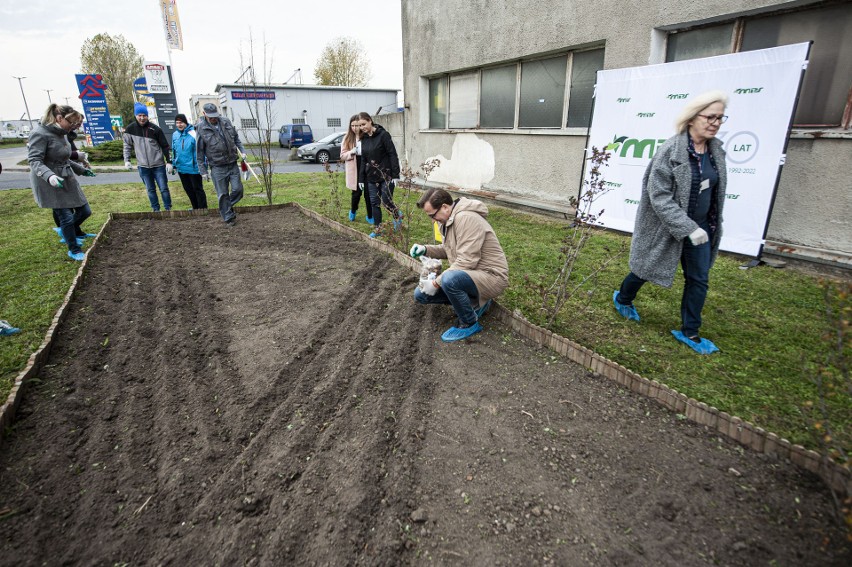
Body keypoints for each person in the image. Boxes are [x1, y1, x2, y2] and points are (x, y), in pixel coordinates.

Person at [612, 91, 729, 355]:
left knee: (699, 279)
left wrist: (703, 227)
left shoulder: (715, 151)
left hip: (702, 230)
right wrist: (688, 228)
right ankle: (623, 298)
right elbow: (659, 196)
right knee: (644, 269)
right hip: (668, 227)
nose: (715, 123)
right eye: (710, 117)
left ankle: (691, 332)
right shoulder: (670, 151)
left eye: (720, 118)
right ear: (692, 118)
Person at [410, 188, 509, 342]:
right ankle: (475, 302)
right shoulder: (449, 219)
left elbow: (467, 260)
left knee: (450, 279)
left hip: (491, 276)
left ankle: (469, 322)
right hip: (470, 274)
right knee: (421, 294)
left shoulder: (467, 218)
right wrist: (426, 249)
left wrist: (436, 283)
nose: (432, 220)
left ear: (444, 207)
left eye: (432, 215)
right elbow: (450, 249)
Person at [28, 104, 96, 261]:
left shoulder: (62, 133)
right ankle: (74, 248)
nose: (73, 127)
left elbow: (64, 159)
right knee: (65, 216)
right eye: (71, 124)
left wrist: (81, 170)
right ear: (59, 118)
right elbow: (34, 160)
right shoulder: (40, 134)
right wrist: (49, 176)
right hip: (50, 181)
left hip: (66, 178)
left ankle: (67, 230)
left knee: (85, 210)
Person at [196, 103, 246, 226]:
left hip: (232, 163)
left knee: (238, 190)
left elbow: (236, 139)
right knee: (223, 193)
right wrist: (203, 171)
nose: (213, 118)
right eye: (210, 116)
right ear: (204, 114)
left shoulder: (226, 122)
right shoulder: (201, 128)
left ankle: (226, 208)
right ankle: (228, 217)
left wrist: (243, 151)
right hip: (217, 166)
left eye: (215, 116)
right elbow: (199, 152)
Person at [357, 112, 400, 238]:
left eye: (364, 124)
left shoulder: (383, 135)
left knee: (386, 201)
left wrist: (395, 174)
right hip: (371, 177)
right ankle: (378, 229)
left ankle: (397, 217)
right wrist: (361, 178)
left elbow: (392, 154)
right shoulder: (364, 139)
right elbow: (363, 160)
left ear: (370, 121)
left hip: (386, 175)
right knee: (374, 202)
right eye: (360, 126)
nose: (362, 127)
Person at [123, 102, 172, 212]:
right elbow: (127, 146)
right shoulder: (130, 129)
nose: (142, 118)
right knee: (150, 189)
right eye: (139, 115)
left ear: (147, 116)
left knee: (164, 188)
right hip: (143, 166)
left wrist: (169, 161)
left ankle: (168, 208)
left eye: (144, 115)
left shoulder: (155, 129)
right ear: (136, 116)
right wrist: (127, 160)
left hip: (158, 165)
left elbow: (165, 146)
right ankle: (156, 210)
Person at [50, 129, 96, 243]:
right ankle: (69, 237)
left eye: (79, 123)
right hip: (55, 177)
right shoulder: (51, 135)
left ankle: (73, 232)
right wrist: (76, 154)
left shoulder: (67, 135)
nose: (77, 125)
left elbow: (67, 157)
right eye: (75, 122)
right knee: (65, 213)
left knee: (84, 211)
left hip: (68, 176)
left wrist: (82, 168)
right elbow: (60, 155)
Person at [341, 114, 373, 224]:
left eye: (357, 125)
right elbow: (342, 155)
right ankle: (353, 211)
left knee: (369, 195)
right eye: (352, 126)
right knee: (356, 194)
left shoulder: (367, 136)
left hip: (366, 169)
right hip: (354, 171)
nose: (355, 128)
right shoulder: (347, 137)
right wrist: (351, 152)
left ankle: (370, 216)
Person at [171, 113, 207, 210]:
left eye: (181, 122)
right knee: (188, 189)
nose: (179, 125)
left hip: (194, 167)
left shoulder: (194, 133)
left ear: (185, 122)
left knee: (197, 189)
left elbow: (201, 150)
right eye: (177, 123)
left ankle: (203, 208)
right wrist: (174, 164)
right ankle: (195, 208)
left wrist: (203, 166)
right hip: (181, 168)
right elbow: (174, 150)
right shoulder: (175, 135)